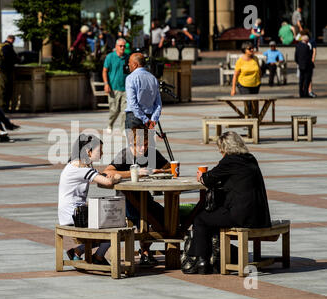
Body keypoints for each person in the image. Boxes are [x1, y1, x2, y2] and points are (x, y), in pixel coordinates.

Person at [182, 131, 271, 274]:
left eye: (221, 149)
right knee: (212, 219)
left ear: (226, 148)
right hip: (259, 214)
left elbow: (209, 178)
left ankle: (202, 261)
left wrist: (201, 176)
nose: (220, 152)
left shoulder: (230, 160)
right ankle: (216, 258)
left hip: (242, 215)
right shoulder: (250, 158)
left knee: (200, 219)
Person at [103, 124, 171, 265]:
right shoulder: (125, 154)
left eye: (145, 145)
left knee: (169, 219)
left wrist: (159, 171)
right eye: (138, 145)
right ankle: (145, 250)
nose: (142, 148)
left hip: (146, 199)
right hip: (126, 201)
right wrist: (134, 173)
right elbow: (107, 172)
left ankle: (145, 248)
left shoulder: (152, 153)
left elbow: (169, 167)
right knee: (146, 219)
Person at [58, 134, 121, 265]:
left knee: (110, 218)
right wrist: (117, 177)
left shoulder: (76, 165)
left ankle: (78, 251)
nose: (102, 154)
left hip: (72, 213)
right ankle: (98, 257)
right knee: (115, 222)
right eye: (100, 150)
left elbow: (100, 175)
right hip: (74, 216)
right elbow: (108, 182)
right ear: (88, 151)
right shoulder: (80, 169)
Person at [125, 52, 162, 130]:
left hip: (134, 118)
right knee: (148, 142)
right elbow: (158, 103)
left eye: (130, 63)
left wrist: (145, 120)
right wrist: (153, 120)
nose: (128, 65)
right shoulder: (153, 78)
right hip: (150, 117)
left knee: (134, 142)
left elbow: (132, 103)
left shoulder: (131, 78)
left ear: (135, 64)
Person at [103, 38, 128, 134]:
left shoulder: (127, 57)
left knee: (125, 111)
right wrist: (106, 84)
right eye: (120, 46)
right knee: (114, 110)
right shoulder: (110, 57)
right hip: (113, 88)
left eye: (124, 46)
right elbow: (104, 71)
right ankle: (110, 124)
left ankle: (123, 129)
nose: (122, 48)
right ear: (116, 47)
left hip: (125, 88)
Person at [0, 35, 20, 112]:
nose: (13, 41)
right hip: (6, 70)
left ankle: (3, 106)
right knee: (6, 88)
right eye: (13, 40)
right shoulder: (7, 47)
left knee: (3, 88)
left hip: (3, 69)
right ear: (10, 39)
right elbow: (11, 58)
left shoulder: (2, 46)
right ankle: (4, 107)